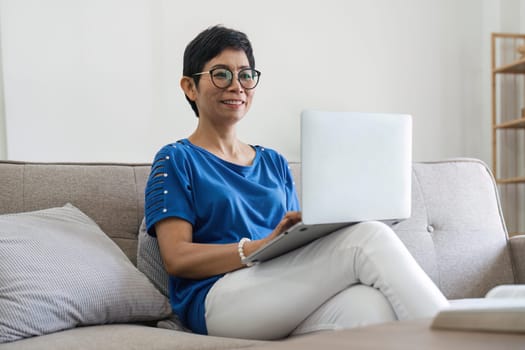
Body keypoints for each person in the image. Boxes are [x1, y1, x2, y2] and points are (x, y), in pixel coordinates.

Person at [144, 25, 449, 340]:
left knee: (370, 305)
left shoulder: (274, 163)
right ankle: (461, 339)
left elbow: (294, 246)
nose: (237, 86)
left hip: (277, 290)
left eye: (246, 75)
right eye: (221, 74)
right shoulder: (176, 159)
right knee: (367, 238)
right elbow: (176, 257)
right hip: (216, 300)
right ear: (190, 87)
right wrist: (255, 249)